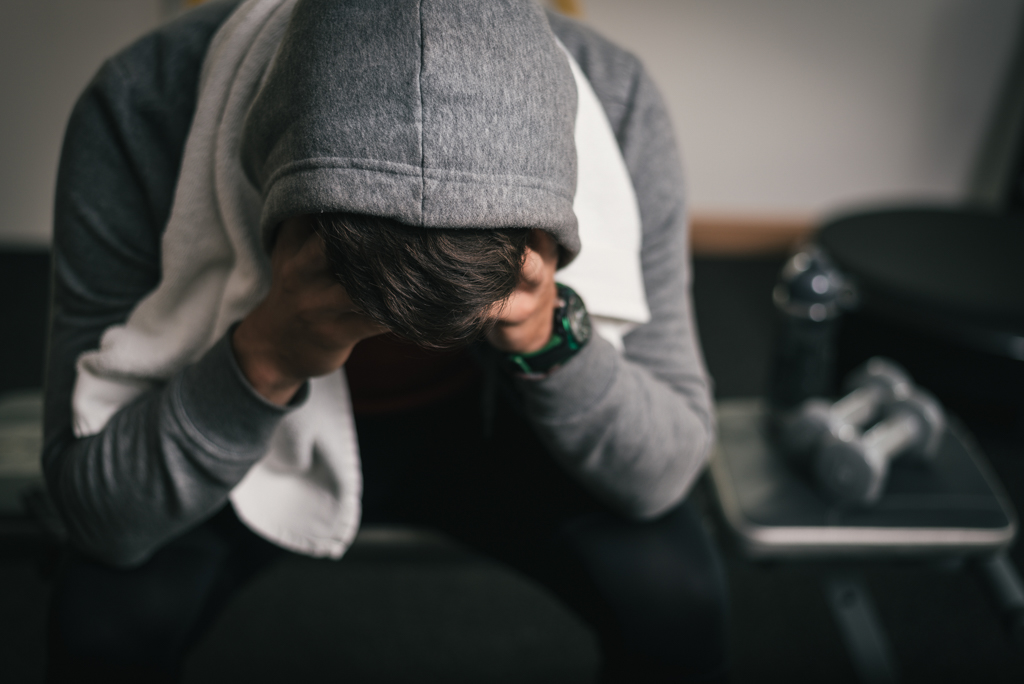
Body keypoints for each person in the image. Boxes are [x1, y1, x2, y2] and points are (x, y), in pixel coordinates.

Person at [42, 0, 727, 681]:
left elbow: (663, 473)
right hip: (241, 427)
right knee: (100, 623)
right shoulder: (141, 102)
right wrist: (266, 355)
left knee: (680, 600)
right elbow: (96, 511)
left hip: (499, 426)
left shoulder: (616, 94)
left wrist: (549, 338)